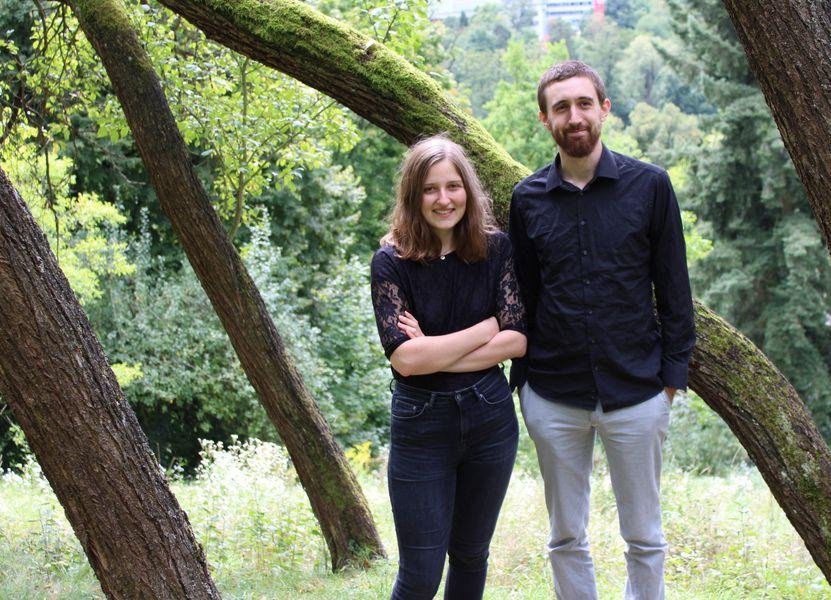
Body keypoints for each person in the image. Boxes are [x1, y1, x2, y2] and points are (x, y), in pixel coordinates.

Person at [508, 60, 695, 599]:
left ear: (604, 109)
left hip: (638, 392)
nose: (575, 116)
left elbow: (674, 290)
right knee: (566, 536)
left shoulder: (651, 186)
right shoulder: (527, 200)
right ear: (545, 118)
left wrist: (670, 380)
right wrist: (524, 383)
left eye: (584, 103)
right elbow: (523, 294)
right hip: (553, 394)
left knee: (645, 537)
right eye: (561, 107)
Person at [370, 134, 527, 600]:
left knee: (471, 556)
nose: (444, 199)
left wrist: (435, 349)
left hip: (490, 419)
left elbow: (517, 340)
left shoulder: (496, 249)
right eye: (430, 189)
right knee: (419, 575)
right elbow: (405, 359)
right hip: (421, 424)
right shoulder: (391, 260)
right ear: (414, 196)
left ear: (468, 190)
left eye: (453, 186)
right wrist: (485, 329)